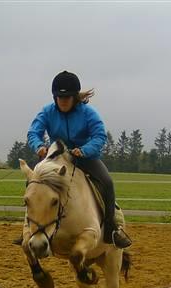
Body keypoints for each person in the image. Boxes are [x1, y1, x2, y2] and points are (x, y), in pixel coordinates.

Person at [24, 70, 132, 249]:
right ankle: (29, 228)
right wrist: (38, 146)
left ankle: (112, 229)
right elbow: (33, 132)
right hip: (55, 159)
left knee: (107, 182)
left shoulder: (88, 113)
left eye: (67, 97)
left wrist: (84, 150)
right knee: (33, 182)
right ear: (54, 97)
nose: (63, 101)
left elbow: (99, 136)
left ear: (75, 97)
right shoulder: (47, 111)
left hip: (84, 158)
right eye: (59, 97)